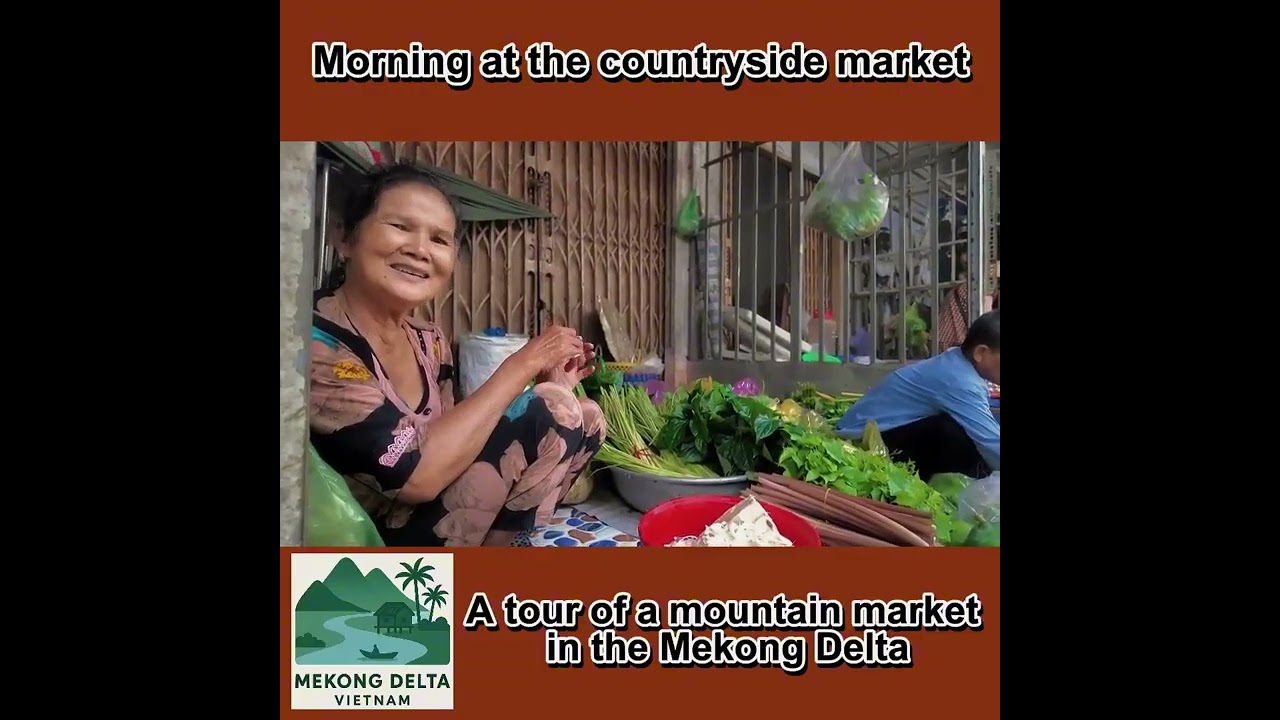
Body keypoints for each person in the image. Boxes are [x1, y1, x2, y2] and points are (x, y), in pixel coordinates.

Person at [309, 162, 607, 547]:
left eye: (439, 239)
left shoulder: (428, 340)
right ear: (346, 238)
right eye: (400, 226)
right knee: (550, 409)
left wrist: (553, 384)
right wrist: (522, 365)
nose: (419, 249)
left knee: (584, 415)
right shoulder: (314, 342)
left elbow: (458, 447)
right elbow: (417, 475)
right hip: (370, 543)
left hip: (434, 516)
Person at [836, 311, 1000, 479]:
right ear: (980, 353)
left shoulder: (956, 361)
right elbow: (990, 441)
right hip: (862, 443)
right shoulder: (961, 381)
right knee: (954, 434)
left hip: (874, 430)